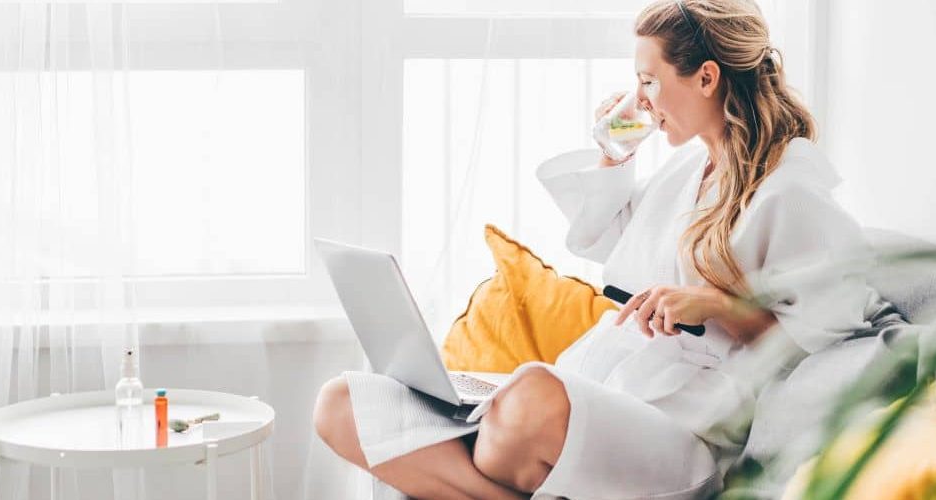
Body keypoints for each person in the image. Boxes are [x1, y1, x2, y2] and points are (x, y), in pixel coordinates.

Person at [313, 0, 878, 498]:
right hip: (615, 386)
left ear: (707, 77)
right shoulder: (692, 168)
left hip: (689, 429)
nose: (640, 99)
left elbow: (827, 340)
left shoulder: (790, 188)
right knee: (343, 403)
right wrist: (616, 151)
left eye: (649, 81)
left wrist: (721, 306)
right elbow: (611, 241)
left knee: (529, 398)